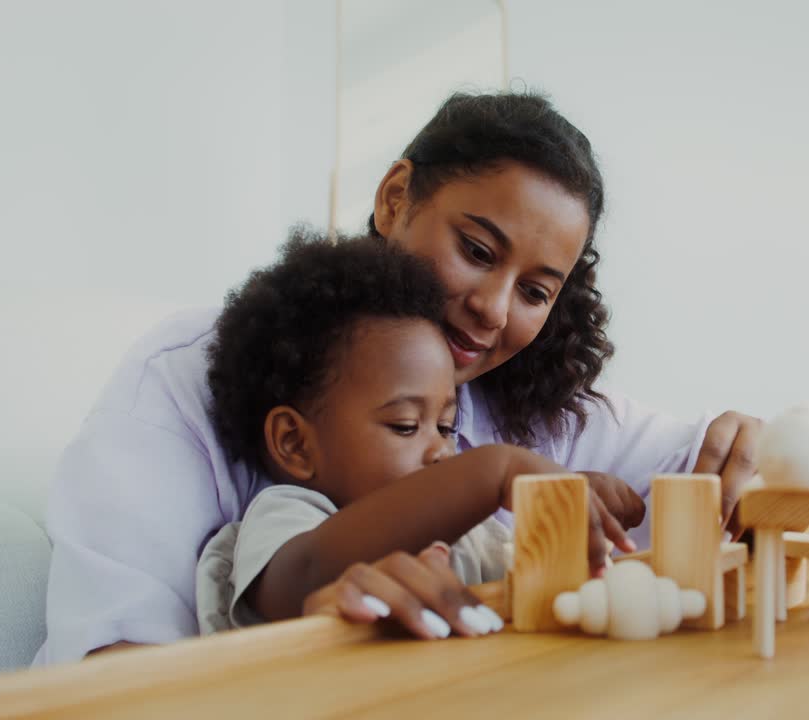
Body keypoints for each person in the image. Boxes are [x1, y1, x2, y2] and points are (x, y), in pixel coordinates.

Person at [36, 91, 763, 665]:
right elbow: (118, 666)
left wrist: (752, 451)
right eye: (477, 249)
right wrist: (492, 474)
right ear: (393, 199)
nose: (491, 309)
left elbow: (705, 463)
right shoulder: (191, 384)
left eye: (537, 292)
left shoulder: (505, 396)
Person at [195, 230, 633, 639]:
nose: (443, 453)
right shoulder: (290, 517)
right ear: (295, 442)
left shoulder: (470, 541)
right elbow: (302, 581)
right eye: (406, 425)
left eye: (445, 427)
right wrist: (492, 470)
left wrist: (569, 519)